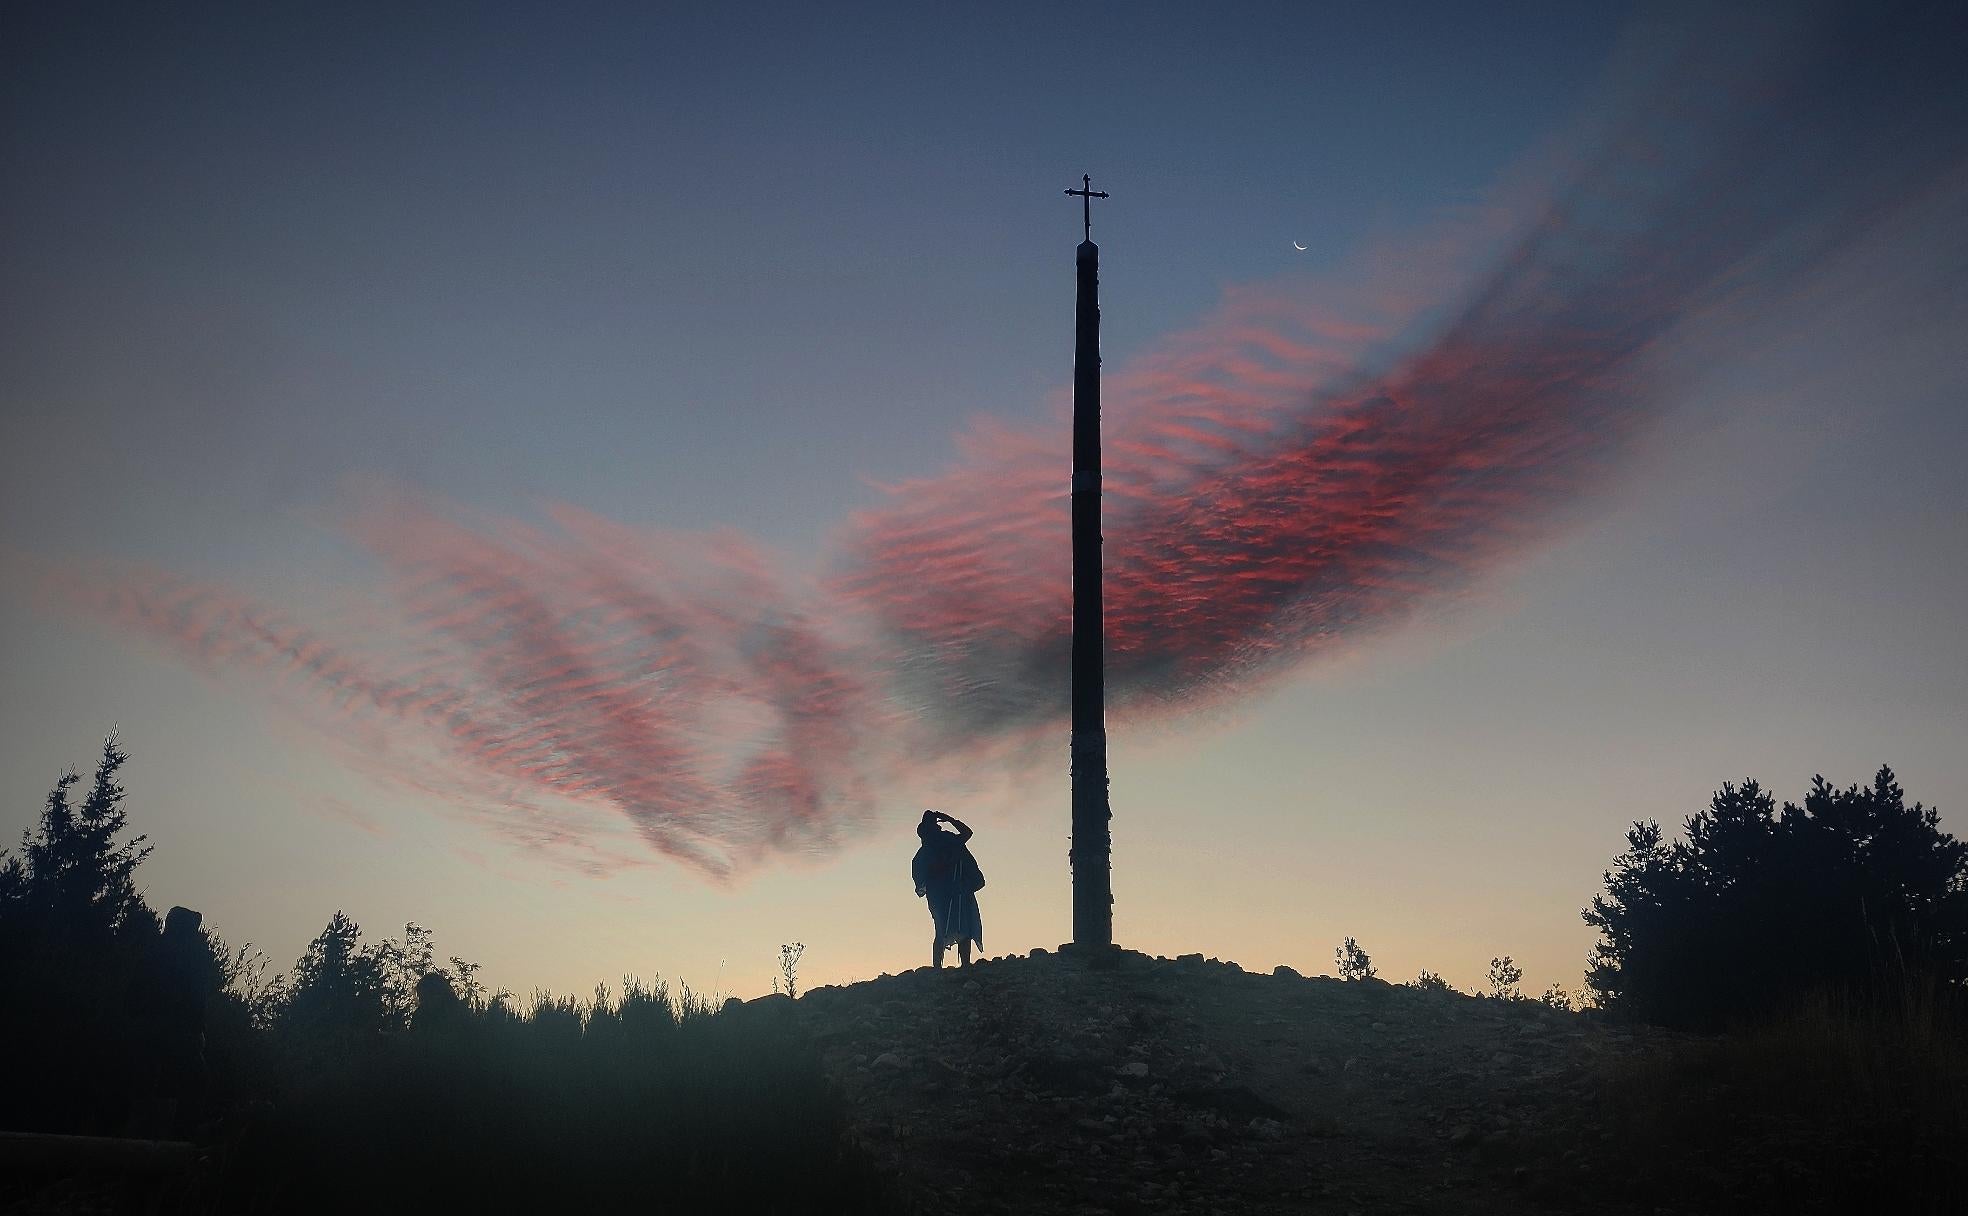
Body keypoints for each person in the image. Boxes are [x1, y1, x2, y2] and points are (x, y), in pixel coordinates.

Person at [911, 809, 984, 969]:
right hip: (939, 893)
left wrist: (950, 819)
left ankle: (965, 965)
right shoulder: (926, 851)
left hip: (959, 888)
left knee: (963, 925)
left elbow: (967, 833)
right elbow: (923, 875)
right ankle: (938, 967)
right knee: (941, 927)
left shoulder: (949, 840)